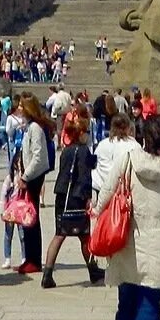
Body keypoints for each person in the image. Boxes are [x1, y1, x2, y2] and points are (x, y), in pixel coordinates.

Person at [95, 115, 160, 320]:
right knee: (150, 306)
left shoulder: (127, 160)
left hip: (126, 242)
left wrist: (95, 219)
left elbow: (105, 194)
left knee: (126, 306)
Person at [43, 118, 103, 288]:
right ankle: (93, 270)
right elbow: (84, 177)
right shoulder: (83, 151)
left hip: (62, 195)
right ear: (82, 134)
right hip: (77, 196)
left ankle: (47, 273)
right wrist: (88, 198)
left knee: (59, 233)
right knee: (84, 236)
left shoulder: (67, 150)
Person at [15, 94, 53, 274]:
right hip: (29, 176)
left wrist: (25, 176)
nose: (19, 109)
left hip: (33, 177)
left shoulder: (35, 129)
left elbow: (38, 157)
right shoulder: (30, 127)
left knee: (31, 217)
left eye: (22, 106)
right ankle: (29, 257)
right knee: (27, 218)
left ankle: (34, 260)